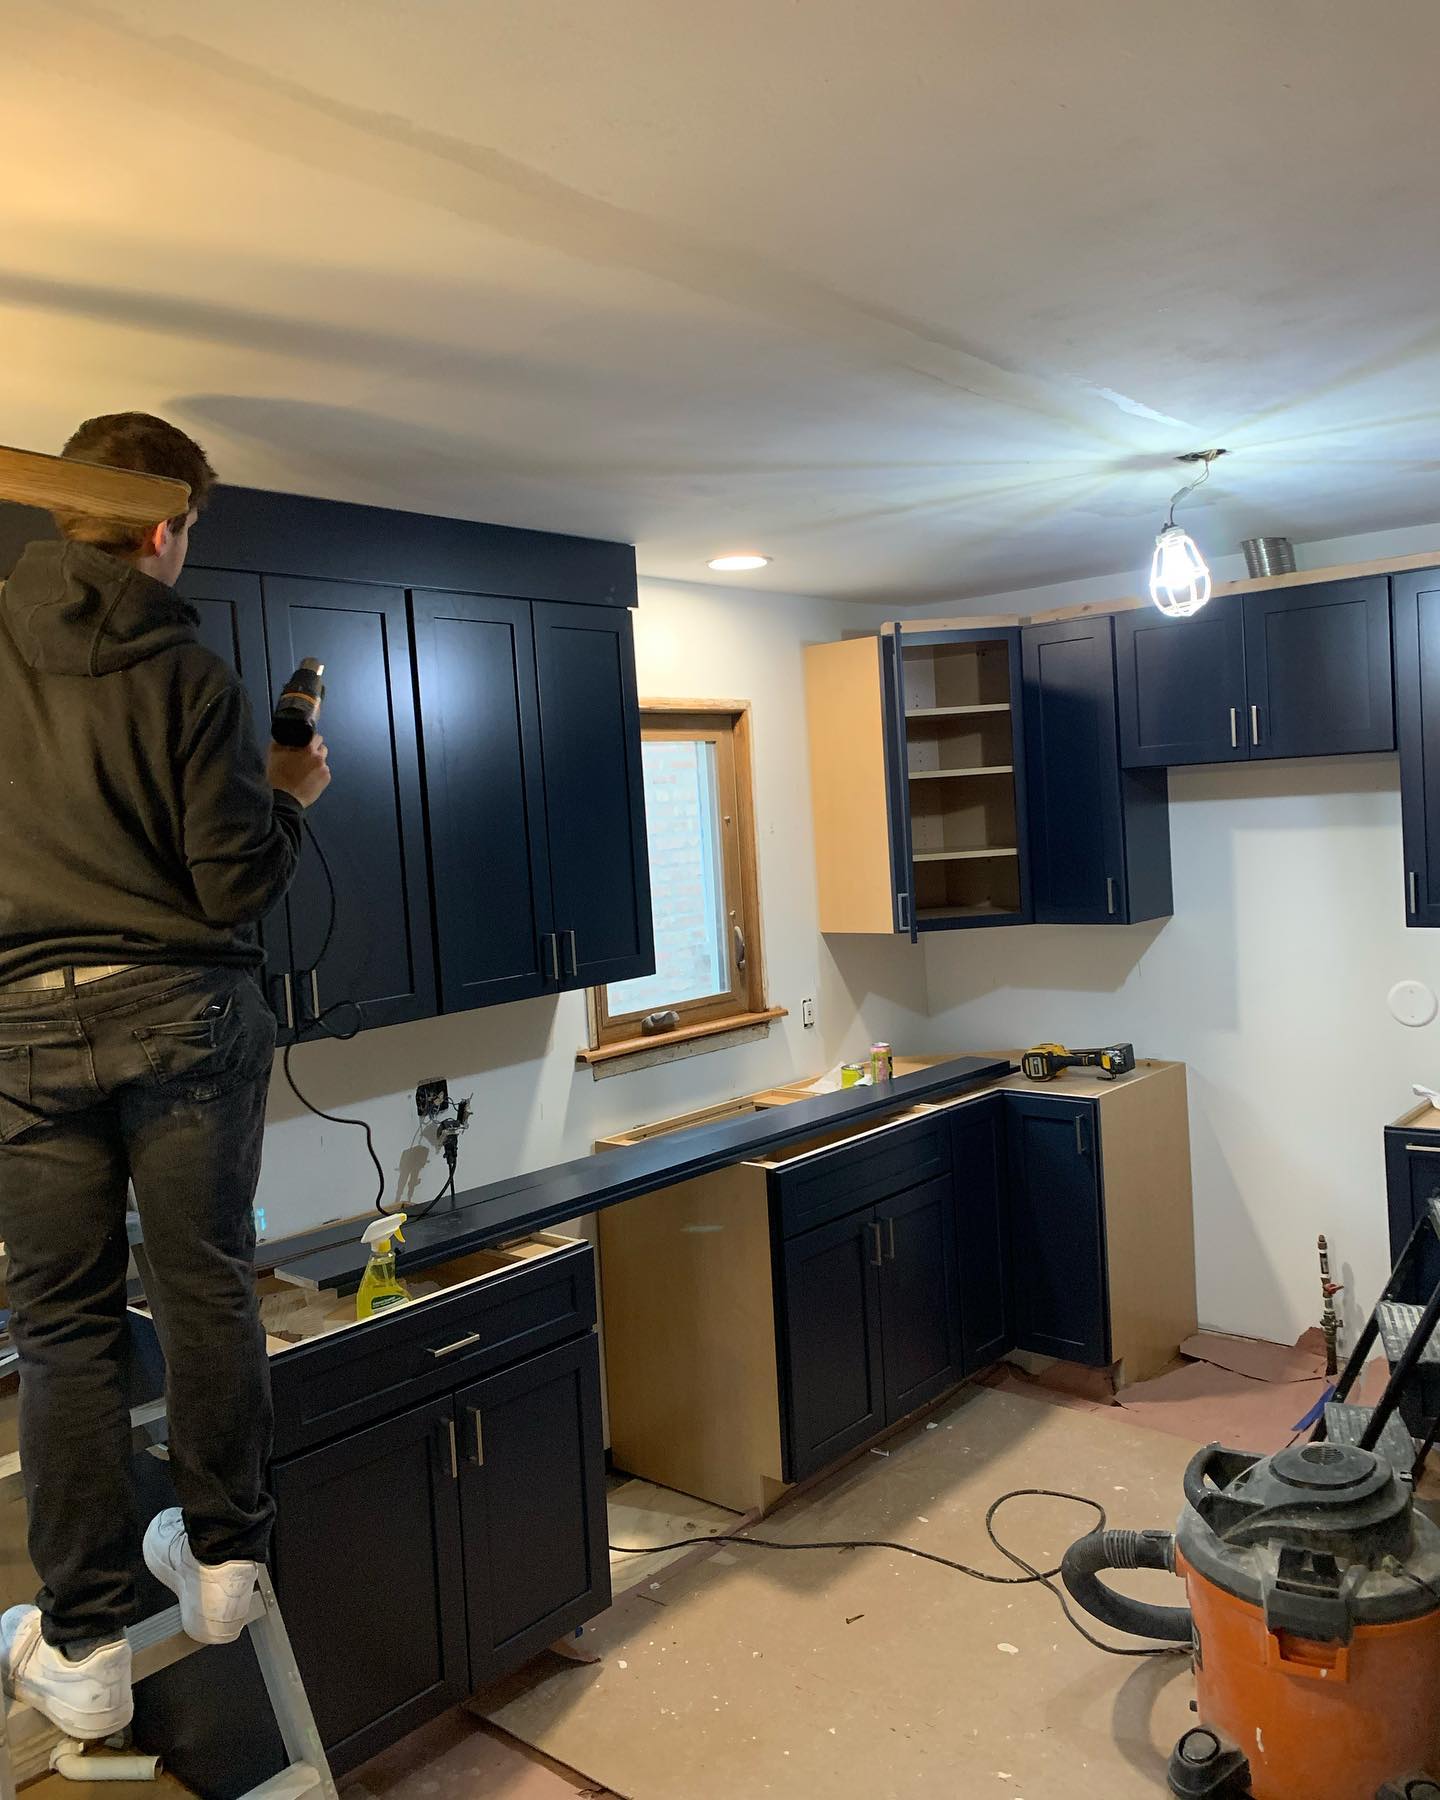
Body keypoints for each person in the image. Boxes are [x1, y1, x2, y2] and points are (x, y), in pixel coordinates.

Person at [0, 414, 330, 1742]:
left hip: (21, 1022)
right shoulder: (192, 672)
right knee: (201, 1283)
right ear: (159, 527)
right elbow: (234, 881)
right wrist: (292, 791)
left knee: (62, 1325)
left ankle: (77, 1642)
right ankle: (225, 1565)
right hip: (186, 1010)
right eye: (189, 528)